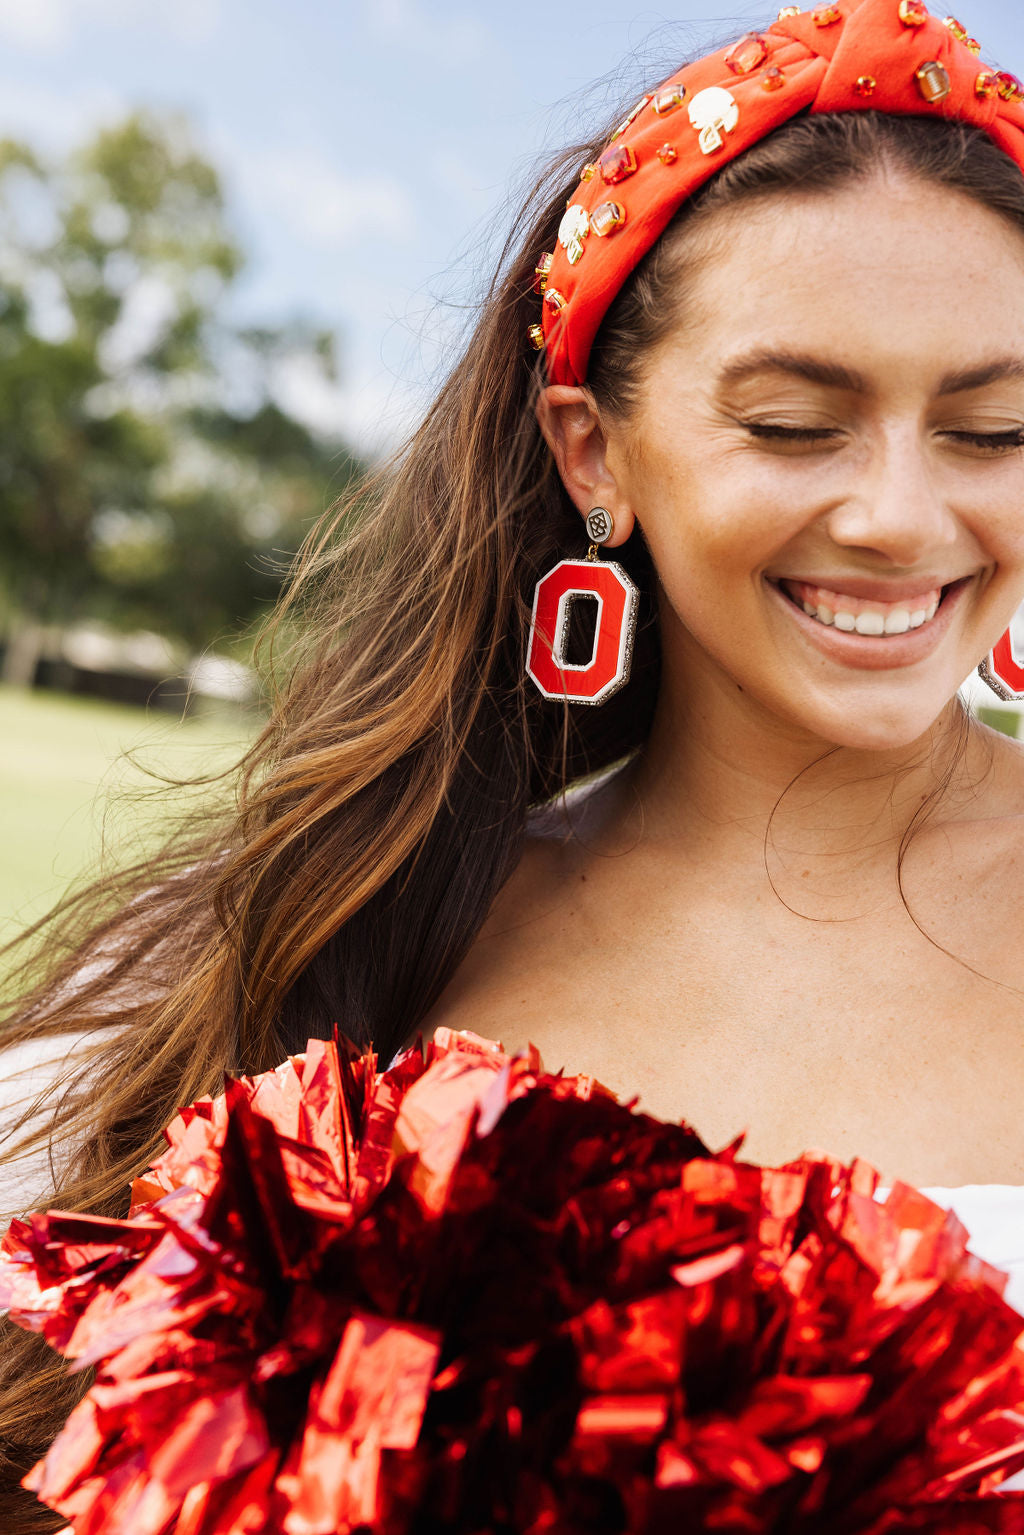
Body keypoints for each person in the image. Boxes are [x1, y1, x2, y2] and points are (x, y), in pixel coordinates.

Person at [3, 0, 1024, 1520]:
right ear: (590, 451)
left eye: (992, 429)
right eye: (796, 424)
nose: (897, 513)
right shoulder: (356, 929)